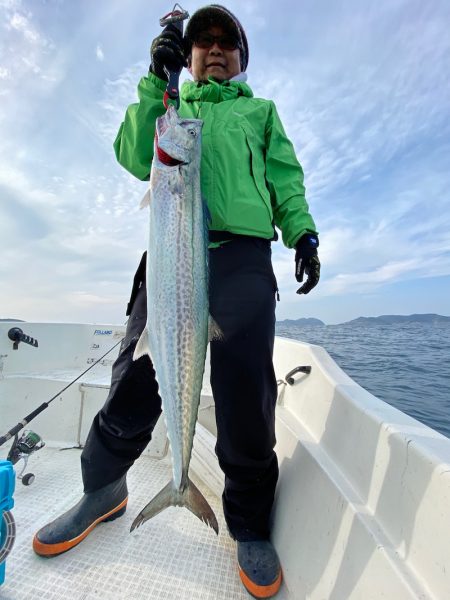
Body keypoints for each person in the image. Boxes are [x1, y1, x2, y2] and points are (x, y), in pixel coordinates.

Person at [32, 5, 320, 598]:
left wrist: (302, 233)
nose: (214, 49)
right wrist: (154, 79)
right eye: (202, 42)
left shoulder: (259, 112)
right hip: (172, 254)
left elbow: (285, 178)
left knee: (245, 386)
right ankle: (104, 488)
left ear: (241, 57)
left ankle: (247, 523)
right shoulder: (172, 108)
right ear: (188, 57)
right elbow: (134, 155)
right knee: (136, 371)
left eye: (226, 42)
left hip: (241, 257)